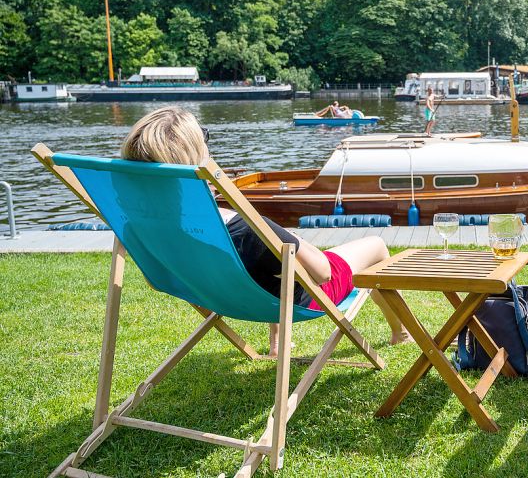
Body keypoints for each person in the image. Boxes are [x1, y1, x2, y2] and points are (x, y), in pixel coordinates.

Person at [120, 107, 409, 355]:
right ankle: (401, 333)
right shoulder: (241, 228)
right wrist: (293, 239)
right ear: (195, 158)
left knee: (275, 258)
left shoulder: (139, 228)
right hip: (302, 297)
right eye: (204, 137)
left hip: (225, 297)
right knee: (376, 246)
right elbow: (323, 274)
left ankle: (278, 342)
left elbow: (157, 281)